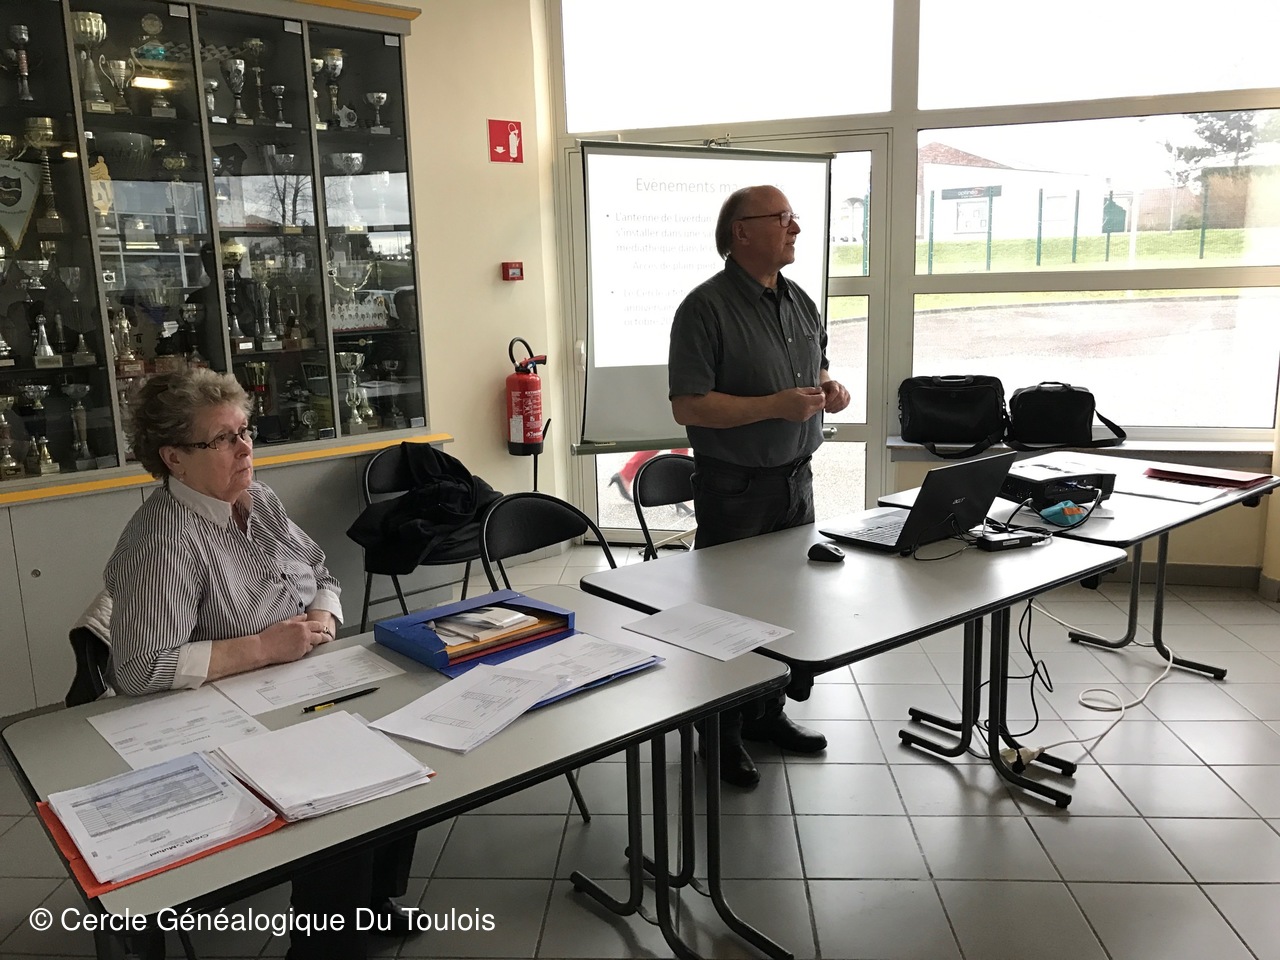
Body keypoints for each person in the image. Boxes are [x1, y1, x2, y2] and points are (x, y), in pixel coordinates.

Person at [104, 369, 416, 960]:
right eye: (222, 439)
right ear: (174, 458)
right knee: (342, 779)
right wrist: (265, 648)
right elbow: (139, 670)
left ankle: (371, 905)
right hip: (214, 713)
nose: (245, 448)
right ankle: (325, 944)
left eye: (245, 431)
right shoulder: (163, 542)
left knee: (398, 743)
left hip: (294, 682)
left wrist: (322, 617)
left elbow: (320, 573)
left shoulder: (261, 499)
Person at [668, 184, 851, 788]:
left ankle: (766, 714)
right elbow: (689, 405)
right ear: (741, 232)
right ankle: (718, 733)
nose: (795, 228)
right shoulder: (704, 308)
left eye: (794, 218)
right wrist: (773, 405)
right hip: (735, 486)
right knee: (729, 617)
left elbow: (816, 366)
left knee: (784, 610)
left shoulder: (798, 299)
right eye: (782, 218)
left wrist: (830, 387)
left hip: (797, 480)